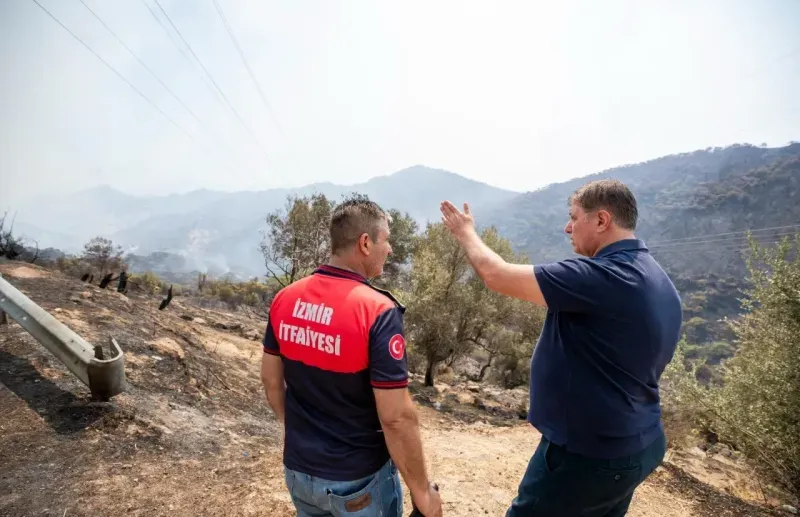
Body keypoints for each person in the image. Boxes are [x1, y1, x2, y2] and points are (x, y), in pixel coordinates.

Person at [440, 179, 682, 517]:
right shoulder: (658, 279)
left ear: (601, 220)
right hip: (639, 444)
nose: (567, 227)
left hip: (587, 455)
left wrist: (464, 232)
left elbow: (496, 275)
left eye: (574, 217)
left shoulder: (601, 276)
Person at [261, 197, 443, 517]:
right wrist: (423, 493)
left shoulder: (284, 298)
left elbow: (271, 381)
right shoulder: (377, 311)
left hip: (298, 473)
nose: (390, 249)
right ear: (364, 243)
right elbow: (396, 418)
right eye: (385, 240)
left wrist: (304, 439)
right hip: (357, 484)